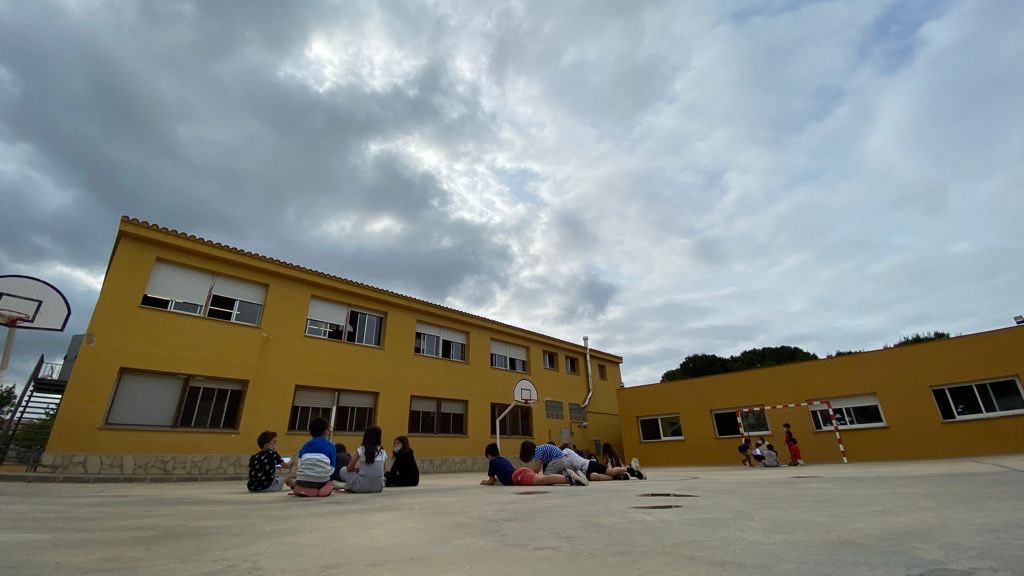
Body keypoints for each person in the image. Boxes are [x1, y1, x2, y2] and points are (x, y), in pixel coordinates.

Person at [336, 425, 387, 493]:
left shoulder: (361, 449)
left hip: (361, 486)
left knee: (343, 470)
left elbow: (349, 468)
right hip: (378, 487)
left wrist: (357, 470)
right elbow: (383, 471)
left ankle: (350, 485)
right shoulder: (382, 451)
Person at [293, 418, 337, 497]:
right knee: (331, 482)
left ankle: (303, 489)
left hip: (303, 480)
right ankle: (325, 487)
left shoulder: (304, 446)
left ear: (310, 432)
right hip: (321, 480)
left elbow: (300, 464)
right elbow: (332, 468)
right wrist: (324, 474)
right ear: (326, 432)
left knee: (298, 485)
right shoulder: (331, 446)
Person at [519, 440, 588, 485]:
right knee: (556, 474)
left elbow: (536, 469)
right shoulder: (539, 449)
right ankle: (576, 476)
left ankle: (571, 478)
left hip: (558, 460)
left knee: (547, 478)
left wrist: (528, 473)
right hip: (564, 459)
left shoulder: (537, 452)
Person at [560, 444, 629, 482]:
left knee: (611, 471)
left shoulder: (566, 450)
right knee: (595, 477)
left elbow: (561, 457)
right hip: (585, 472)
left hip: (588, 464)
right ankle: (616, 477)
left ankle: (628, 469)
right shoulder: (568, 457)